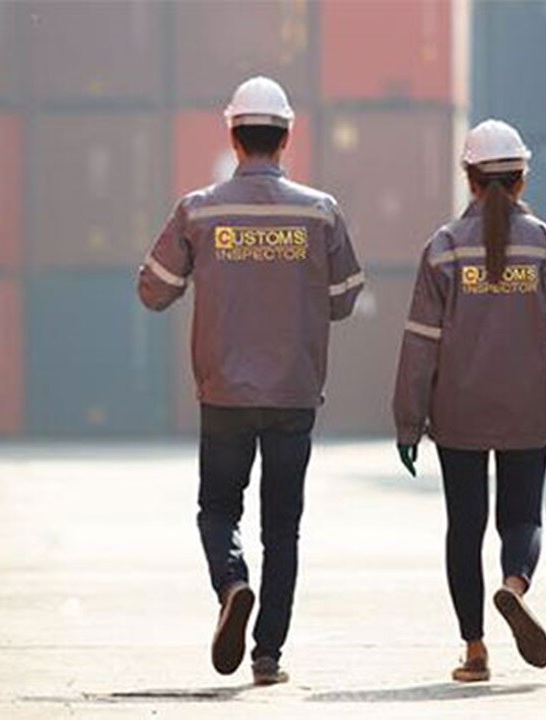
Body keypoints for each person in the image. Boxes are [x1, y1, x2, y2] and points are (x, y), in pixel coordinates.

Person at [138, 76, 365, 686]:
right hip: (294, 392)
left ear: (232, 136)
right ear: (287, 136)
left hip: (225, 394)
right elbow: (345, 299)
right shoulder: (320, 211)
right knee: (283, 527)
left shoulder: (199, 208)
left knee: (217, 510)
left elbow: (153, 290)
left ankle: (232, 583)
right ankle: (268, 656)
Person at [391, 119, 546, 682]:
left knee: (464, 528)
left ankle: (475, 651)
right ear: (521, 178)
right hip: (530, 412)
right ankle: (513, 586)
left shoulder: (442, 250)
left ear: (469, 177)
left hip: (458, 414)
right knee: (521, 519)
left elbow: (420, 344)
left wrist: (408, 424)